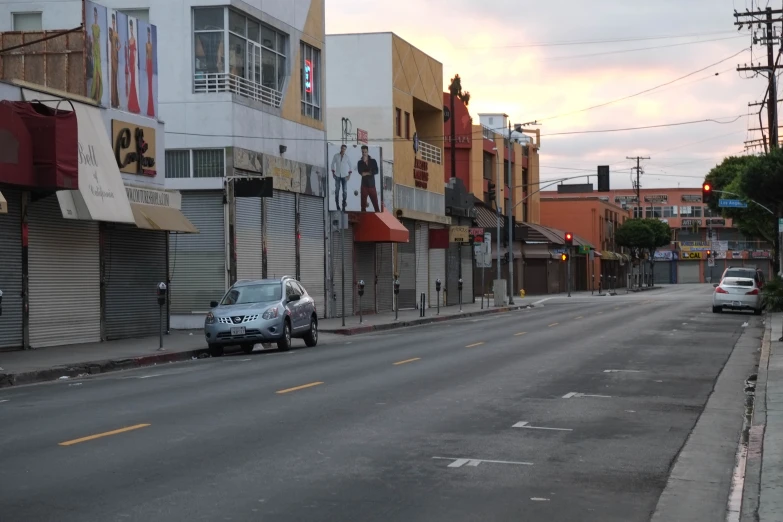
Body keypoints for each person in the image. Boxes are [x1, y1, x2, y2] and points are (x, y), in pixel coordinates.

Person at [357, 145, 380, 212]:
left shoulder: (373, 161)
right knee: (363, 205)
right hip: (364, 185)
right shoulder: (360, 162)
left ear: (368, 152)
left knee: (376, 204)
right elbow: (361, 173)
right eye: (363, 152)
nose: (364, 153)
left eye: (365, 152)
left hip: (372, 185)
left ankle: (378, 217)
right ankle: (363, 218)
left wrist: (367, 173)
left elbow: (376, 171)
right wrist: (370, 172)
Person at [330, 144, 352, 210]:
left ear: (345, 150)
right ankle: (337, 204)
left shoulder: (347, 157)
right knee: (337, 190)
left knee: (344, 191)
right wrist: (333, 173)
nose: (343, 150)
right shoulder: (336, 156)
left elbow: (350, 166)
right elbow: (332, 164)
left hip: (344, 176)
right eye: (342, 148)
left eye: (344, 149)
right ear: (341, 148)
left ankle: (343, 204)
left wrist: (349, 175)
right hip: (337, 175)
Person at [126, 19, 141, 114]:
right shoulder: (129, 40)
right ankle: (131, 103)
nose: (131, 29)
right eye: (130, 28)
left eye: (132, 28)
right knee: (131, 80)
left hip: (133, 60)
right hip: (130, 59)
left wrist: (134, 62)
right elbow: (129, 51)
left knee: (133, 81)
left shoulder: (134, 39)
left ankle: (134, 103)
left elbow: (135, 51)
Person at [89, 7, 103, 103]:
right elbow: (93, 40)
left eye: (96, 15)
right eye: (94, 14)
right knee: (95, 74)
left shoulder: (98, 27)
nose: (95, 16)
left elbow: (99, 40)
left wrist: (100, 52)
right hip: (95, 50)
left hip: (98, 50)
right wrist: (93, 51)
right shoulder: (92, 26)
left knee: (99, 74)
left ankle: (98, 96)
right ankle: (95, 95)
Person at [109, 13, 120, 108]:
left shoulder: (116, 33)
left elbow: (119, 44)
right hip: (111, 54)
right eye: (112, 21)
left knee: (115, 75)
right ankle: (112, 99)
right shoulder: (111, 32)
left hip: (115, 54)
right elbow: (110, 40)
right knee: (112, 75)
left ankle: (116, 100)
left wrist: (117, 48)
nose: (113, 22)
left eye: (114, 21)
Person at [145, 26, 155, 117]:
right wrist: (145, 66)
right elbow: (146, 55)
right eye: (147, 34)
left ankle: (151, 109)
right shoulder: (146, 45)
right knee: (149, 86)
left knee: (151, 86)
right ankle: (149, 108)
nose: (148, 35)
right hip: (148, 63)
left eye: (149, 34)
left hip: (151, 64)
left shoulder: (151, 45)